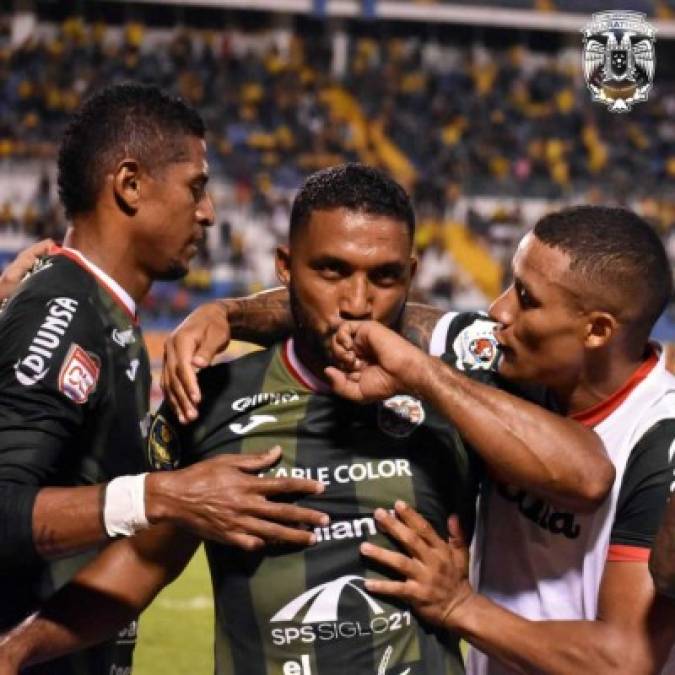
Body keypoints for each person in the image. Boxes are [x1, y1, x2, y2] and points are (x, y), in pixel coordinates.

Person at [0, 165, 609, 675]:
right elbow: (143, 564)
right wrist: (17, 649)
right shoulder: (210, 399)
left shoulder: (457, 380)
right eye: (332, 271)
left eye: (385, 277)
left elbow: (586, 475)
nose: (358, 302)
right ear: (286, 268)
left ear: (413, 275)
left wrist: (426, 376)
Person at [0, 83, 327, 675]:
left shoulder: (107, 315)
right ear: (130, 185)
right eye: (196, 187)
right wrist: (166, 495)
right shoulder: (63, 310)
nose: (208, 212)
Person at [324, 207, 675, 674]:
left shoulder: (658, 439)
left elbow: (623, 659)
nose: (499, 310)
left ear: (597, 330)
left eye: (527, 299)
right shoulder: (507, 360)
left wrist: (459, 607)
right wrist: (227, 314)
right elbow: (385, 323)